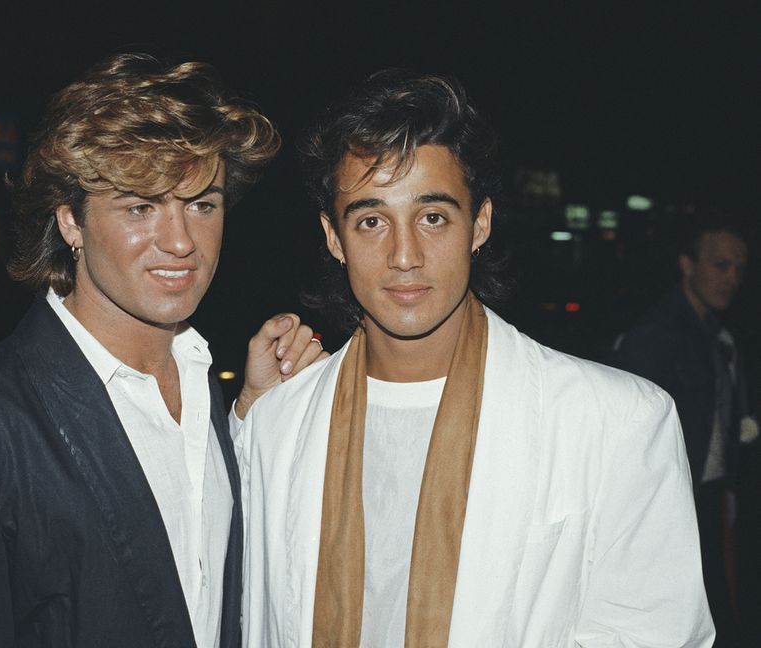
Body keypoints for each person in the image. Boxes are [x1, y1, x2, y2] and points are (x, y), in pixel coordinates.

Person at [233, 69, 714, 647]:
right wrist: (250, 418)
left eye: (432, 217)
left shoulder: (618, 421)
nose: (404, 255)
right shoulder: (274, 424)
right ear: (334, 239)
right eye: (371, 221)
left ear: (479, 223)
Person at [0, 53, 325, 648]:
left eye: (201, 204)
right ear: (70, 222)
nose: (181, 240)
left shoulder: (210, 392)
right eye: (141, 206)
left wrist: (250, 417)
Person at [615, 214, 755, 646]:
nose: (731, 278)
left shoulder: (717, 332)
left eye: (739, 269)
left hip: (708, 497)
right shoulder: (657, 335)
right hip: (669, 504)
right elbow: (631, 437)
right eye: (720, 265)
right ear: (687, 265)